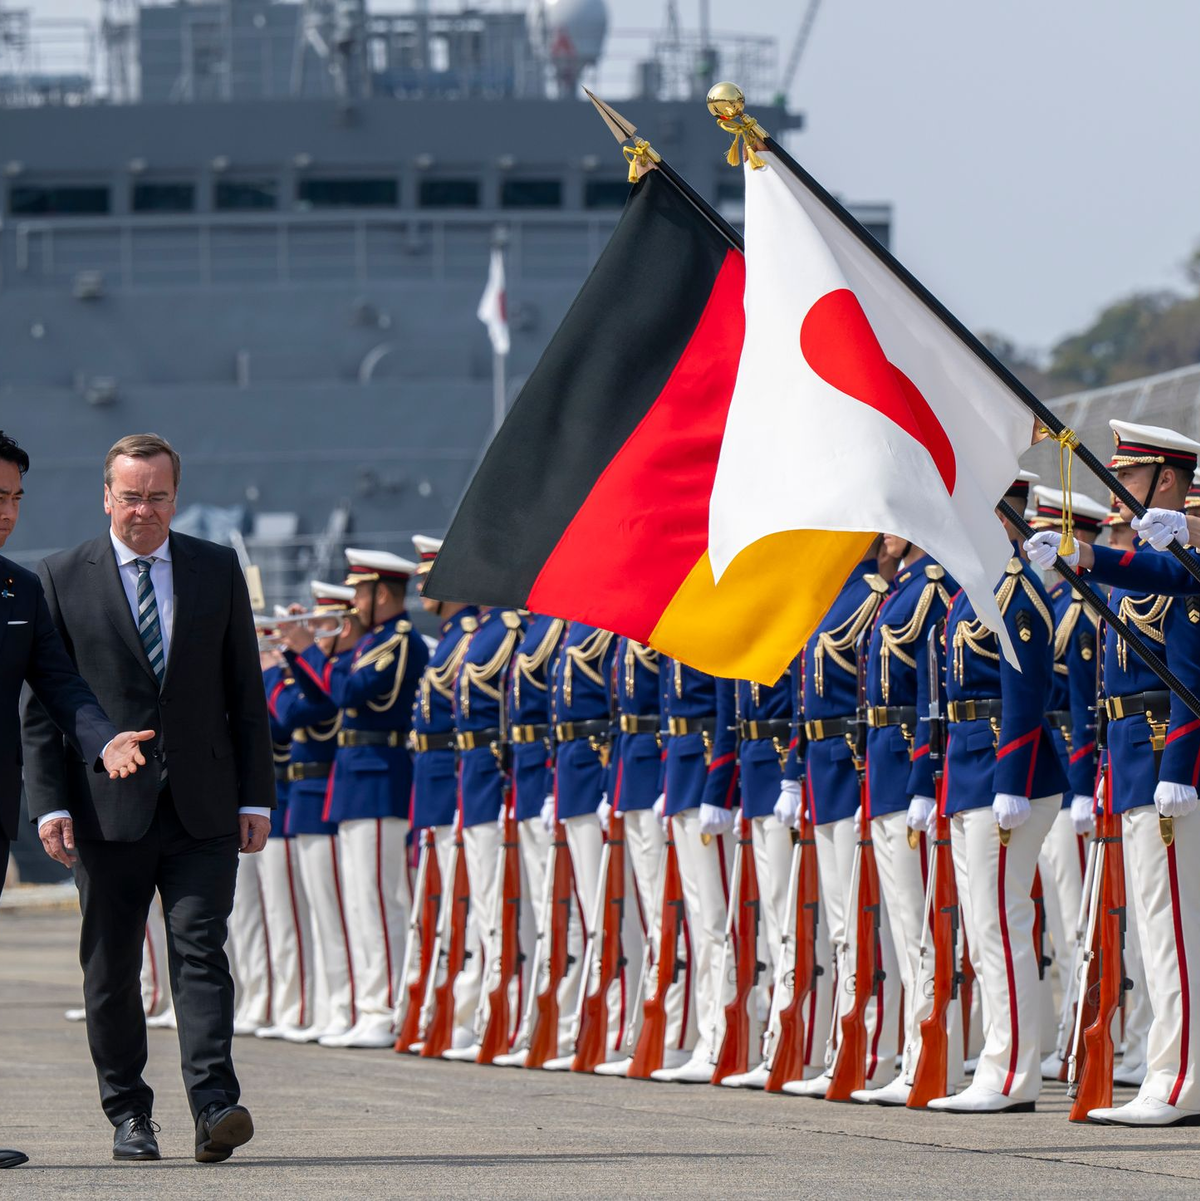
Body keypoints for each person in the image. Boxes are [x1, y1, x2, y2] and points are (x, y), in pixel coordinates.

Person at [21, 432, 274, 1164]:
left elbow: (244, 694)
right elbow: (43, 709)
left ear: (175, 496)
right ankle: (130, 1113)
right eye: (131, 495)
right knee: (109, 969)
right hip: (106, 811)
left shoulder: (215, 569)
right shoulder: (61, 577)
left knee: (201, 953)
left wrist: (256, 796)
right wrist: (52, 805)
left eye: (157, 495)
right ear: (107, 497)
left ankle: (214, 1105)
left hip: (203, 808)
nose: (144, 509)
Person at [1026, 420, 1200, 1125]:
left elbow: (1190, 667)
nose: (1117, 488)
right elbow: (1142, 571)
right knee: (1153, 928)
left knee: (1172, 927)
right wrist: (1080, 553)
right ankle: (1170, 1066)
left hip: (1167, 761)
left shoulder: (1185, 563)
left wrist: (1180, 761)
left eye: (1129, 476)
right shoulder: (1164, 561)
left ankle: (1179, 1077)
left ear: (1165, 479)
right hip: (1131, 763)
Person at [0, 432, 152, 1171]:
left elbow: (60, 685)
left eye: (16, 498)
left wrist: (104, 741)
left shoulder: (20, 591)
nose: (8, 512)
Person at [927, 473, 1067, 1114]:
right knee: (985, 925)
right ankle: (1001, 1065)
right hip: (972, 775)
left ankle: (1010, 1074)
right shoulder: (972, 590)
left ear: (1005, 517)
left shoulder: (1015, 590)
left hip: (1009, 779)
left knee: (999, 923)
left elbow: (1025, 690)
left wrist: (1011, 779)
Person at [284, 548, 426, 1049]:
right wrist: (295, 656)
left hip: (379, 779)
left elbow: (353, 692)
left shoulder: (398, 641)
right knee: (359, 904)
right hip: (356, 781)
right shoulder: (374, 643)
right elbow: (326, 695)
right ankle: (370, 1006)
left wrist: (309, 651)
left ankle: (385, 1009)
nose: (352, 604)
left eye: (359, 593)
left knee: (379, 901)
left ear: (381, 594)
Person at [784, 541, 899, 1099]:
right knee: (839, 924)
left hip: (854, 766)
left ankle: (876, 1048)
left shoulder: (872, 597)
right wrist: (791, 769)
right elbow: (804, 699)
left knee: (867, 920)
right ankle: (845, 1046)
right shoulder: (826, 599)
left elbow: (871, 691)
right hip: (822, 770)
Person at [853, 536, 956, 1106]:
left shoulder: (930, 590)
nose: (885, 531)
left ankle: (928, 1055)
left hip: (907, 767)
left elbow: (932, 693)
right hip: (883, 765)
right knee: (900, 925)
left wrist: (922, 777)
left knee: (920, 929)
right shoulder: (898, 593)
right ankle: (910, 1054)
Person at [274, 581, 363, 1044]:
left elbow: (292, 715)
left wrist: (278, 664)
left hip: (323, 795)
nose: (316, 634)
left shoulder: (340, 673)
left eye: (324, 625)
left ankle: (341, 1006)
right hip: (307, 801)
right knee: (316, 916)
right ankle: (330, 1007)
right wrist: (292, 654)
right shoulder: (321, 670)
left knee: (337, 916)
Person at [405, 536, 481, 1050]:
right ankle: (445, 1011)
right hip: (436, 785)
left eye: (428, 576)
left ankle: (467, 1014)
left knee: (469, 904)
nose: (420, 585)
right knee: (441, 903)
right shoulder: (455, 639)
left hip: (458, 784)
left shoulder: (470, 640)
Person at [649, 658, 735, 1084]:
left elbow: (728, 709)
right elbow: (670, 709)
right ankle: (708, 1033)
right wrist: (668, 781)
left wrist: (717, 787)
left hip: (704, 772)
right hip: (683, 769)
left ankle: (721, 1037)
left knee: (716, 922)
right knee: (700, 924)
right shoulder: (680, 629)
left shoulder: (710, 624)